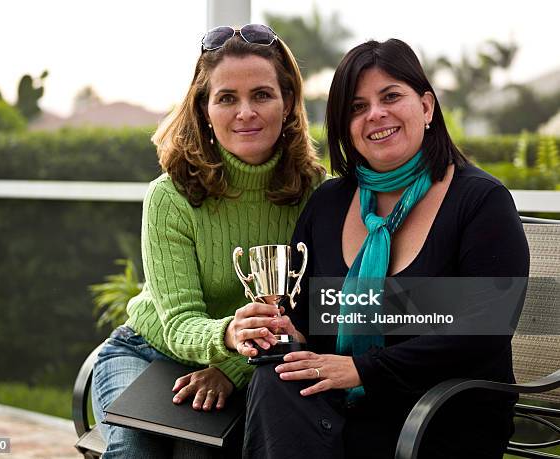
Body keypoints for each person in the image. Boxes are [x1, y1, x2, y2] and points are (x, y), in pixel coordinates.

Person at [239, 39, 530, 459]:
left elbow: (482, 329)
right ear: (345, 126)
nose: (375, 114)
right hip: (339, 410)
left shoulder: (480, 201)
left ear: (427, 107)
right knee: (273, 379)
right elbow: (304, 316)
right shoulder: (328, 204)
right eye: (357, 107)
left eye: (391, 96)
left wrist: (362, 369)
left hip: (438, 414)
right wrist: (281, 331)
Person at [91, 24, 325, 458]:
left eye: (261, 95)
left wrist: (232, 369)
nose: (245, 112)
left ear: (288, 101)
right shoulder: (170, 196)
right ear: (204, 109)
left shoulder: (315, 192)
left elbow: (306, 312)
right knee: (133, 452)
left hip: (246, 364)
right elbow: (179, 321)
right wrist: (230, 336)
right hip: (147, 352)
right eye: (227, 98)